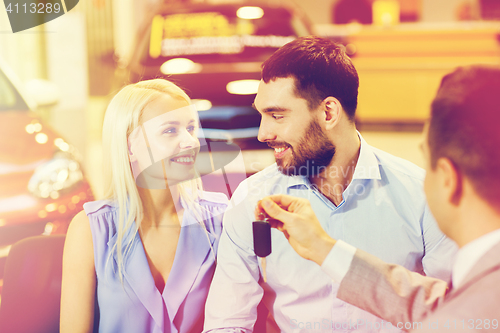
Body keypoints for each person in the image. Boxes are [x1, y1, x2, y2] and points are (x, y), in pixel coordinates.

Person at [203, 36, 457, 332]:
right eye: (262, 114)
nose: (263, 133)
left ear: (328, 113)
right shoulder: (252, 199)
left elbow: (455, 310)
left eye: (277, 115)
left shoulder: (420, 195)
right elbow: (227, 322)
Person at [256, 65, 500, 331]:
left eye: (427, 161)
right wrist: (323, 247)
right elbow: (432, 304)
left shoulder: (470, 312)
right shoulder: (482, 290)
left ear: (447, 179)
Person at [60, 79, 228, 333]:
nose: (191, 142)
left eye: (191, 128)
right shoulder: (90, 229)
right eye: (170, 130)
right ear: (130, 146)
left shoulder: (221, 218)